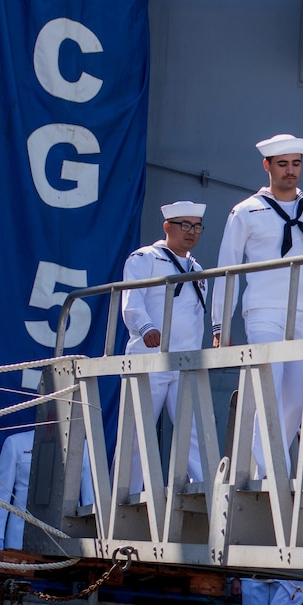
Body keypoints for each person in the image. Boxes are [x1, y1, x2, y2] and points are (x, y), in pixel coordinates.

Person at [210, 133, 303, 477]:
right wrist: (221, 325)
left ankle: (272, 465)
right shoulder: (247, 212)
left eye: (295, 164)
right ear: (267, 166)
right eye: (282, 165)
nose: (290, 171)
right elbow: (227, 269)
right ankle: (275, 471)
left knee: (296, 396)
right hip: (264, 310)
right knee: (267, 387)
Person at [120, 201, 208, 490]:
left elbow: (196, 319)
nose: (191, 232)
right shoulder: (145, 258)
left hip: (184, 360)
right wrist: (146, 328)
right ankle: (126, 495)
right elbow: (132, 301)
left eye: (196, 226)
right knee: (137, 431)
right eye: (185, 225)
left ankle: (204, 488)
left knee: (193, 427)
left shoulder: (197, 269)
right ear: (167, 227)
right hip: (150, 356)